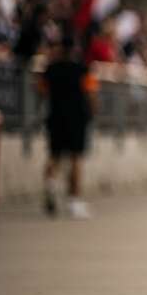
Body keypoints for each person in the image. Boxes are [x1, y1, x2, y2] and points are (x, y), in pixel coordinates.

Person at [41, 34, 97, 219]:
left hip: (55, 116)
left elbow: (41, 89)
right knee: (75, 159)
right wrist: (93, 111)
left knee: (54, 155)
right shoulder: (83, 69)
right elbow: (91, 92)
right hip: (77, 118)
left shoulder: (51, 68)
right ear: (75, 49)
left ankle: (50, 184)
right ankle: (74, 201)